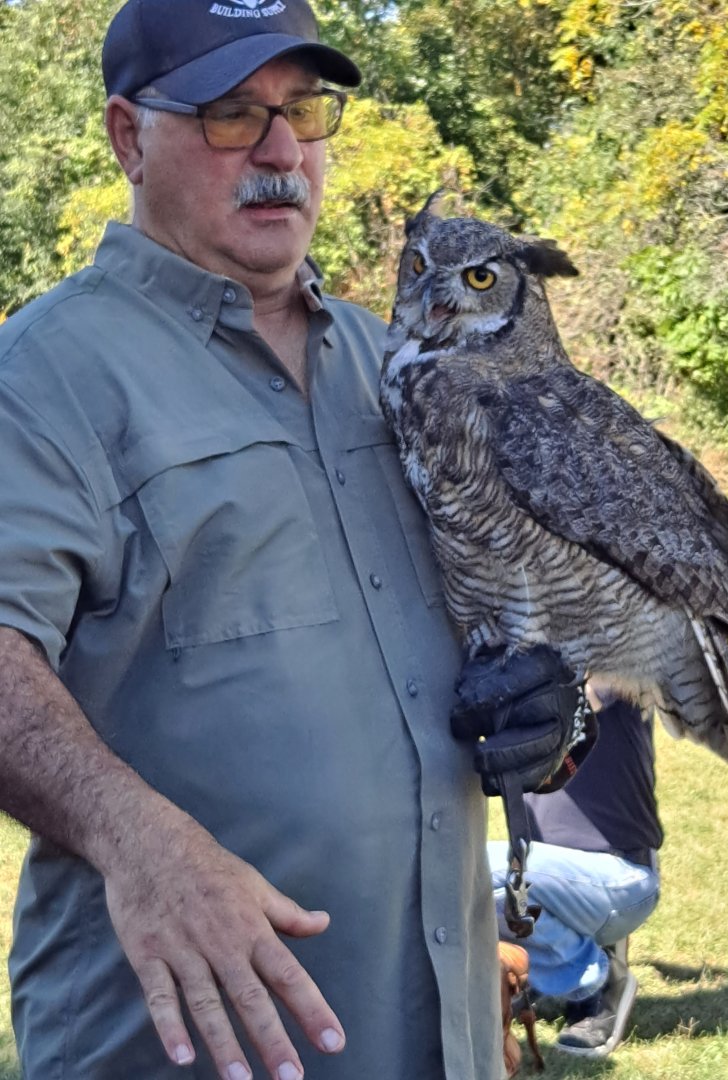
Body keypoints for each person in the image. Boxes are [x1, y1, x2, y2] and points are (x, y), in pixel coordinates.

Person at [0, 1, 576, 1077]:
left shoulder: (405, 367)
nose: (280, 152)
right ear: (129, 136)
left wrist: (552, 702)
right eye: (230, 116)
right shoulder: (41, 378)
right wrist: (140, 843)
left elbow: (505, 611)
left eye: (303, 111)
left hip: (435, 1035)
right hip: (181, 1045)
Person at [490, 699, 663, 1059]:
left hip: (622, 878)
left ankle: (596, 980)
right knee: (468, 879)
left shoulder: (612, 665)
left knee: (478, 867)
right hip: (555, 881)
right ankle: (544, 971)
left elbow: (590, 681)